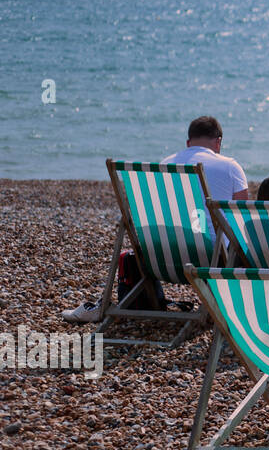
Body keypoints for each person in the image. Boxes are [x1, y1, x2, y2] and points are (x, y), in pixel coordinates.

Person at [64, 115, 251, 323]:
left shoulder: (166, 164)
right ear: (218, 142)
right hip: (209, 260)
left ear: (188, 143)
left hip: (159, 257)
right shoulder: (230, 167)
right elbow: (241, 219)